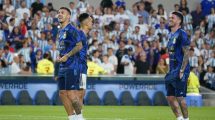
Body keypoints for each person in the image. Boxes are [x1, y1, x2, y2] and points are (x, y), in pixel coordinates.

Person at [54, 7, 84, 120]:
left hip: (72, 65)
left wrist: (67, 56)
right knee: (62, 93)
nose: (59, 14)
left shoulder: (72, 29)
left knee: (71, 94)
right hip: (62, 65)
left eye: (62, 12)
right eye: (58, 12)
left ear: (69, 16)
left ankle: (80, 117)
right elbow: (63, 48)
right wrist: (60, 55)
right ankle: (72, 118)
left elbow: (79, 45)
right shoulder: (60, 30)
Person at [165, 11, 190, 120]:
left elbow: (187, 53)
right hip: (172, 71)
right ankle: (179, 118)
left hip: (180, 70)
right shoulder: (171, 35)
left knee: (180, 97)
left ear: (179, 21)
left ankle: (186, 119)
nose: (170, 19)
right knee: (170, 98)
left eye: (173, 18)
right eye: (170, 17)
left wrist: (182, 71)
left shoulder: (182, 34)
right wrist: (169, 70)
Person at [77, 12, 93, 114]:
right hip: (78, 66)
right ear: (86, 22)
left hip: (83, 66)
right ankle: (76, 115)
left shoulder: (84, 35)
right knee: (79, 92)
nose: (92, 22)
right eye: (91, 20)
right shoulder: (79, 34)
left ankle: (79, 114)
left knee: (82, 91)